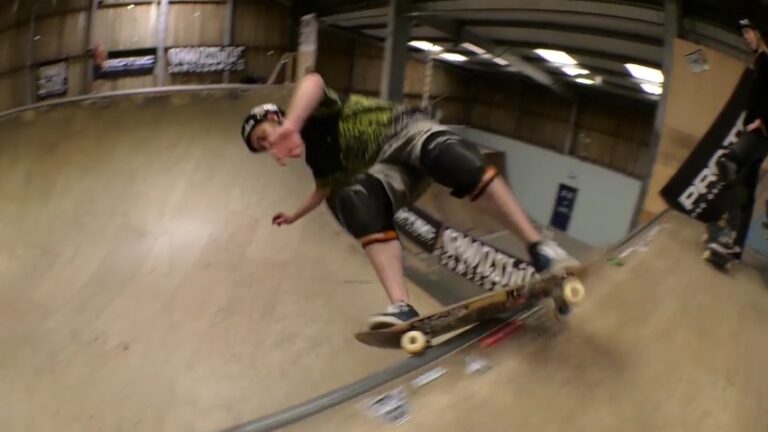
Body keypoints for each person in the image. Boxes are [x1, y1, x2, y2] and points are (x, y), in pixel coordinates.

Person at [241, 72, 582, 330]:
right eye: (264, 148)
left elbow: (313, 81)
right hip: (392, 171)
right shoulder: (318, 159)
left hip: (408, 132)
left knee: (455, 161)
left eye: (264, 137)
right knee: (353, 200)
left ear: (273, 117)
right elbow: (322, 190)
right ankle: (402, 307)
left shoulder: (312, 111)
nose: (270, 146)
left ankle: (541, 249)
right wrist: (293, 215)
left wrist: (293, 124)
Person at [708, 17, 768, 259]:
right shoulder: (760, 61)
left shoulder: (766, 59)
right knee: (747, 189)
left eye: (748, 33)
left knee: (727, 163)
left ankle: (731, 232)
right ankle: (736, 246)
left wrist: (762, 119)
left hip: (761, 132)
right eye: (743, 34)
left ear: (759, 32)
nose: (745, 38)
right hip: (758, 133)